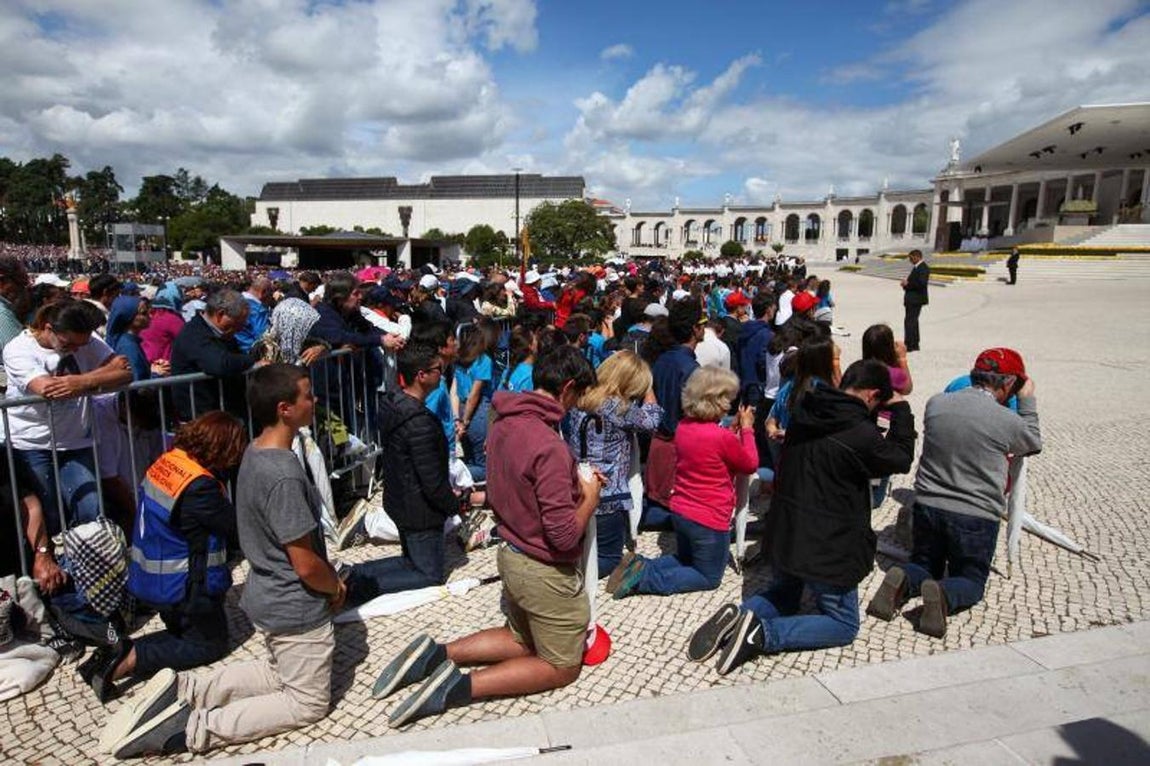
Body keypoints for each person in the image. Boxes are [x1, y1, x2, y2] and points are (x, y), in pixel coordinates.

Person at [103, 364, 344, 758]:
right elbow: (304, 562)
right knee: (307, 702)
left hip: (267, 594)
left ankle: (188, 690)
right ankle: (193, 729)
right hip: (293, 601)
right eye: (308, 395)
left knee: (280, 669)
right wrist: (335, 585)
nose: (314, 401)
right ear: (285, 408)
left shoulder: (254, 450)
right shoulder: (282, 473)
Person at [372, 346, 603, 728]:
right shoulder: (549, 446)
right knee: (561, 664)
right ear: (567, 388)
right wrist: (589, 498)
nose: (578, 405)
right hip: (542, 567)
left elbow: (508, 488)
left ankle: (438, 654)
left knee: (522, 635)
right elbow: (562, 536)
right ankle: (457, 687)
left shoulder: (504, 421)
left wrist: (571, 492)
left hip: (510, 552)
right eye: (578, 396)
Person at [688, 360, 916, 674]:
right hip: (827, 546)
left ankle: (741, 614)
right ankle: (761, 634)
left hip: (786, 533)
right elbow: (901, 459)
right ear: (872, 395)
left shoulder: (804, 412)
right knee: (843, 624)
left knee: (785, 593)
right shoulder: (860, 433)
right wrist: (900, 411)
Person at [866, 348, 1041, 638]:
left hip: (928, 505)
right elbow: (1032, 442)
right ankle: (945, 595)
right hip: (975, 514)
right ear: (1008, 383)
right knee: (970, 579)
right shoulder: (1005, 420)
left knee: (924, 563)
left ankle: (905, 579)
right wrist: (1027, 399)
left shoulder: (937, 404)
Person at [81, 412, 247, 702]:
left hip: (156, 581)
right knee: (208, 645)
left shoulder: (169, 463)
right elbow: (234, 529)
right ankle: (126, 660)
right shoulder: (200, 488)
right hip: (187, 588)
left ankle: (117, 649)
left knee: (185, 633)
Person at [4, 300, 133, 602]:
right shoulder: (18, 349)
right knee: (47, 516)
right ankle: (56, 593)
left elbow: (125, 372)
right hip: (33, 444)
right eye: (68, 344)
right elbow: (47, 389)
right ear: (48, 328)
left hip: (77, 441)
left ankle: (96, 585)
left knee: (90, 510)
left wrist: (81, 381)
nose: (76, 350)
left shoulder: (86, 339)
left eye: (82, 345)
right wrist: (100, 378)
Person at [609, 366, 757, 599]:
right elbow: (749, 464)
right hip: (709, 518)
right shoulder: (722, 438)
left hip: (682, 511)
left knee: (686, 559)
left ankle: (641, 565)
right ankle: (644, 578)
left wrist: (731, 429)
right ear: (717, 401)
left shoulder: (683, 427)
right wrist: (747, 430)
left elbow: (709, 450)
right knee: (708, 576)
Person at [344, 345, 456, 600]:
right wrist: (453, 504)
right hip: (420, 510)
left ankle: (354, 573)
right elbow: (432, 480)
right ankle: (356, 587)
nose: (442, 374)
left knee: (410, 560)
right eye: (438, 369)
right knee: (428, 573)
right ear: (421, 375)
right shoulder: (420, 423)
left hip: (399, 499)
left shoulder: (392, 404)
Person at [565, 350, 662, 574]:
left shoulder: (582, 398)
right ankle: (568, 579)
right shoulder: (618, 408)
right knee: (608, 558)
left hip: (579, 485)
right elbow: (652, 421)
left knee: (581, 543)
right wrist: (648, 388)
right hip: (609, 494)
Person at [169, 289, 257, 422]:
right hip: (202, 418)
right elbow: (218, 364)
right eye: (238, 323)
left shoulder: (225, 335)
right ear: (221, 314)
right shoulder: (194, 334)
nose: (240, 329)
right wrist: (253, 361)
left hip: (224, 415)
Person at [455, 320, 498, 481]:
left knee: (470, 458)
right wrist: (465, 421)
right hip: (478, 412)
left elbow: (456, 390)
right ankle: (449, 475)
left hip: (461, 408)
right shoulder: (484, 360)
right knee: (484, 467)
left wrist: (458, 419)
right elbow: (475, 394)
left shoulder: (460, 360)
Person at [139, 283, 184, 365]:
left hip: (144, 361)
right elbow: (187, 341)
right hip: (162, 366)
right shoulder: (172, 319)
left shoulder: (147, 315)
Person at [900, 249, 929, 352]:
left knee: (910, 322)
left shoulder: (923, 268)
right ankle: (914, 344)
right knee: (913, 322)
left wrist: (908, 284)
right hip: (912, 299)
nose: (910, 260)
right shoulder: (917, 268)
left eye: (911, 258)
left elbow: (921, 284)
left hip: (916, 300)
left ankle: (910, 345)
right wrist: (905, 285)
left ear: (917, 257)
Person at [234, 277, 272, 353]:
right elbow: (263, 335)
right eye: (270, 292)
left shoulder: (236, 300)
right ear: (263, 292)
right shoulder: (257, 310)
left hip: (235, 347)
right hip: (250, 351)